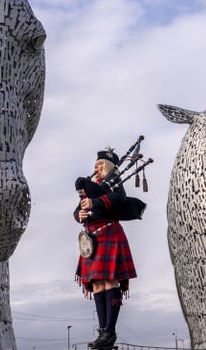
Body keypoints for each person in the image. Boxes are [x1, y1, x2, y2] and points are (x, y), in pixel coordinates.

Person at [74, 148, 137, 348]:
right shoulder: (92, 186)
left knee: (110, 281)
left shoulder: (114, 182)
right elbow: (77, 210)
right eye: (95, 163)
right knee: (97, 285)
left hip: (109, 232)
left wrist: (94, 202)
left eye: (99, 163)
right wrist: (80, 216)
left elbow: (119, 199)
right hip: (92, 239)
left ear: (108, 165)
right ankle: (103, 332)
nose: (95, 166)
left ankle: (110, 331)